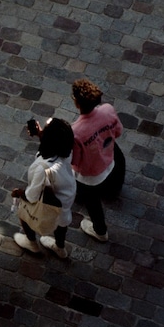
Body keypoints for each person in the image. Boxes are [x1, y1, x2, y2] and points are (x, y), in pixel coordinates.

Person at [12, 119, 76, 258]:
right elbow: (54, 144)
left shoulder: (42, 169)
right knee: (62, 224)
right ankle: (60, 248)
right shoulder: (66, 151)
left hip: (50, 201)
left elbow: (31, 196)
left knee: (24, 213)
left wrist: (19, 193)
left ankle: (31, 243)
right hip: (66, 196)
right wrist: (40, 133)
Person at [70, 78, 124, 242]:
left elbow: (76, 160)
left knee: (92, 203)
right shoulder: (108, 110)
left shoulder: (76, 131)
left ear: (77, 103)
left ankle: (100, 231)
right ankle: (113, 190)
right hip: (110, 159)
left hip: (91, 175)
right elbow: (118, 132)